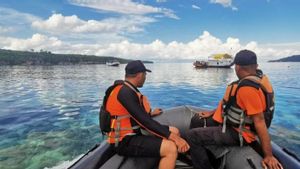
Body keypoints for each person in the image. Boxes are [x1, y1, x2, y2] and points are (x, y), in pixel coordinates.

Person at [186, 50, 283, 169]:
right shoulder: (257, 78)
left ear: (237, 67)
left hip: (240, 133)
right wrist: (212, 113)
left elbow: (259, 121)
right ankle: (200, 154)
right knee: (197, 120)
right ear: (256, 66)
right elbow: (230, 104)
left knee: (192, 136)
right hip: (233, 123)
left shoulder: (247, 89)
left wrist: (268, 156)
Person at [99, 60, 190, 169]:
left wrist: (150, 113)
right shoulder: (125, 93)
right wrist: (176, 139)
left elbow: (134, 115)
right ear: (139, 75)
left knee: (175, 131)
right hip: (123, 141)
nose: (145, 77)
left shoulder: (127, 89)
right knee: (170, 148)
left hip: (132, 133)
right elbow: (145, 122)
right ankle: (171, 156)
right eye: (145, 74)